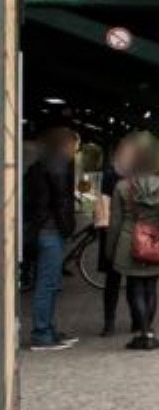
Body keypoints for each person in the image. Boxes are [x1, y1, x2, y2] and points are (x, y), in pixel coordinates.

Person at [105, 132, 159, 351]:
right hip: (156, 242)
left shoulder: (122, 187)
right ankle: (149, 333)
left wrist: (110, 250)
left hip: (129, 243)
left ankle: (143, 334)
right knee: (151, 288)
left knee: (135, 289)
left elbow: (115, 222)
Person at [23, 127, 80, 351]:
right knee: (48, 284)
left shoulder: (39, 165)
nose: (76, 150)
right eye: (75, 145)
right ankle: (42, 334)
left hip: (41, 230)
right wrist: (68, 228)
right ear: (66, 144)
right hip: (49, 231)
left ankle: (48, 329)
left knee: (49, 282)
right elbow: (61, 201)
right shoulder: (57, 165)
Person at [97, 137, 141, 337]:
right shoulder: (114, 174)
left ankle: (129, 322)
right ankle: (113, 323)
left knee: (127, 281)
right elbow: (104, 202)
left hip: (126, 233)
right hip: (117, 232)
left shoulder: (114, 174)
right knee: (117, 281)